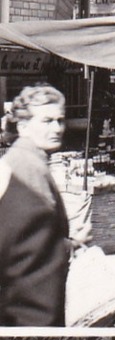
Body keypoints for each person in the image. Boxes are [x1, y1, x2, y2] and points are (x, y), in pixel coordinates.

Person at [0, 84, 71, 326]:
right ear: (23, 126)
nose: (57, 129)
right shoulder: (27, 170)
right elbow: (28, 265)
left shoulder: (28, 162)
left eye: (60, 120)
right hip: (33, 316)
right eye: (47, 121)